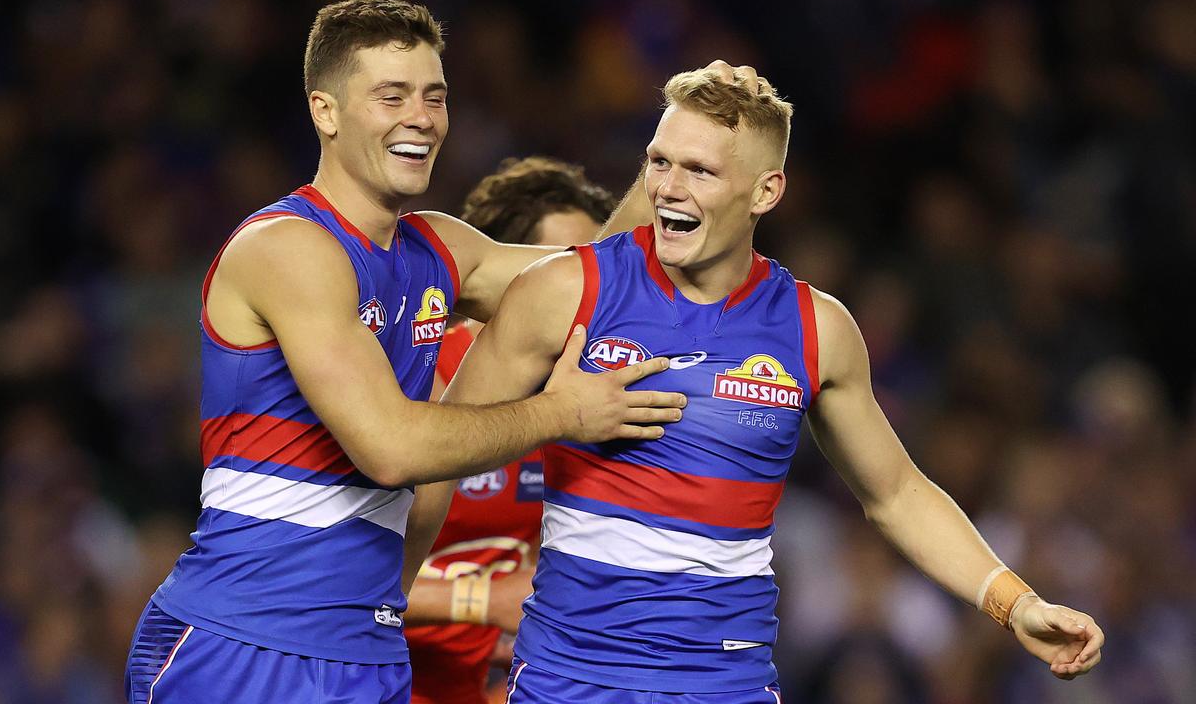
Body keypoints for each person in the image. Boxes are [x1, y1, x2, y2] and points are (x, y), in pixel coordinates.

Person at [441, 63, 1106, 702]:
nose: (669, 188)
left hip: (725, 686)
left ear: (766, 191)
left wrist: (1015, 603)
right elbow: (436, 455)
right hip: (572, 680)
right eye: (659, 162)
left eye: (699, 170)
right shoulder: (562, 292)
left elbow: (898, 494)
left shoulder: (817, 330)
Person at [123, 0, 687, 704]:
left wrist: (674, 153)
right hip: (245, 647)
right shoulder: (287, 247)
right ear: (325, 112)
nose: (420, 117)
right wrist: (562, 412)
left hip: (371, 657)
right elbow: (390, 447)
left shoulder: (440, 249)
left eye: (434, 97)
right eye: (391, 96)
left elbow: (601, 278)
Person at [401, 157, 616, 704]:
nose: (584, 299)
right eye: (563, 270)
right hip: (375, 677)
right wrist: (482, 602)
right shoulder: (415, 382)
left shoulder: (586, 406)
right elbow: (331, 573)